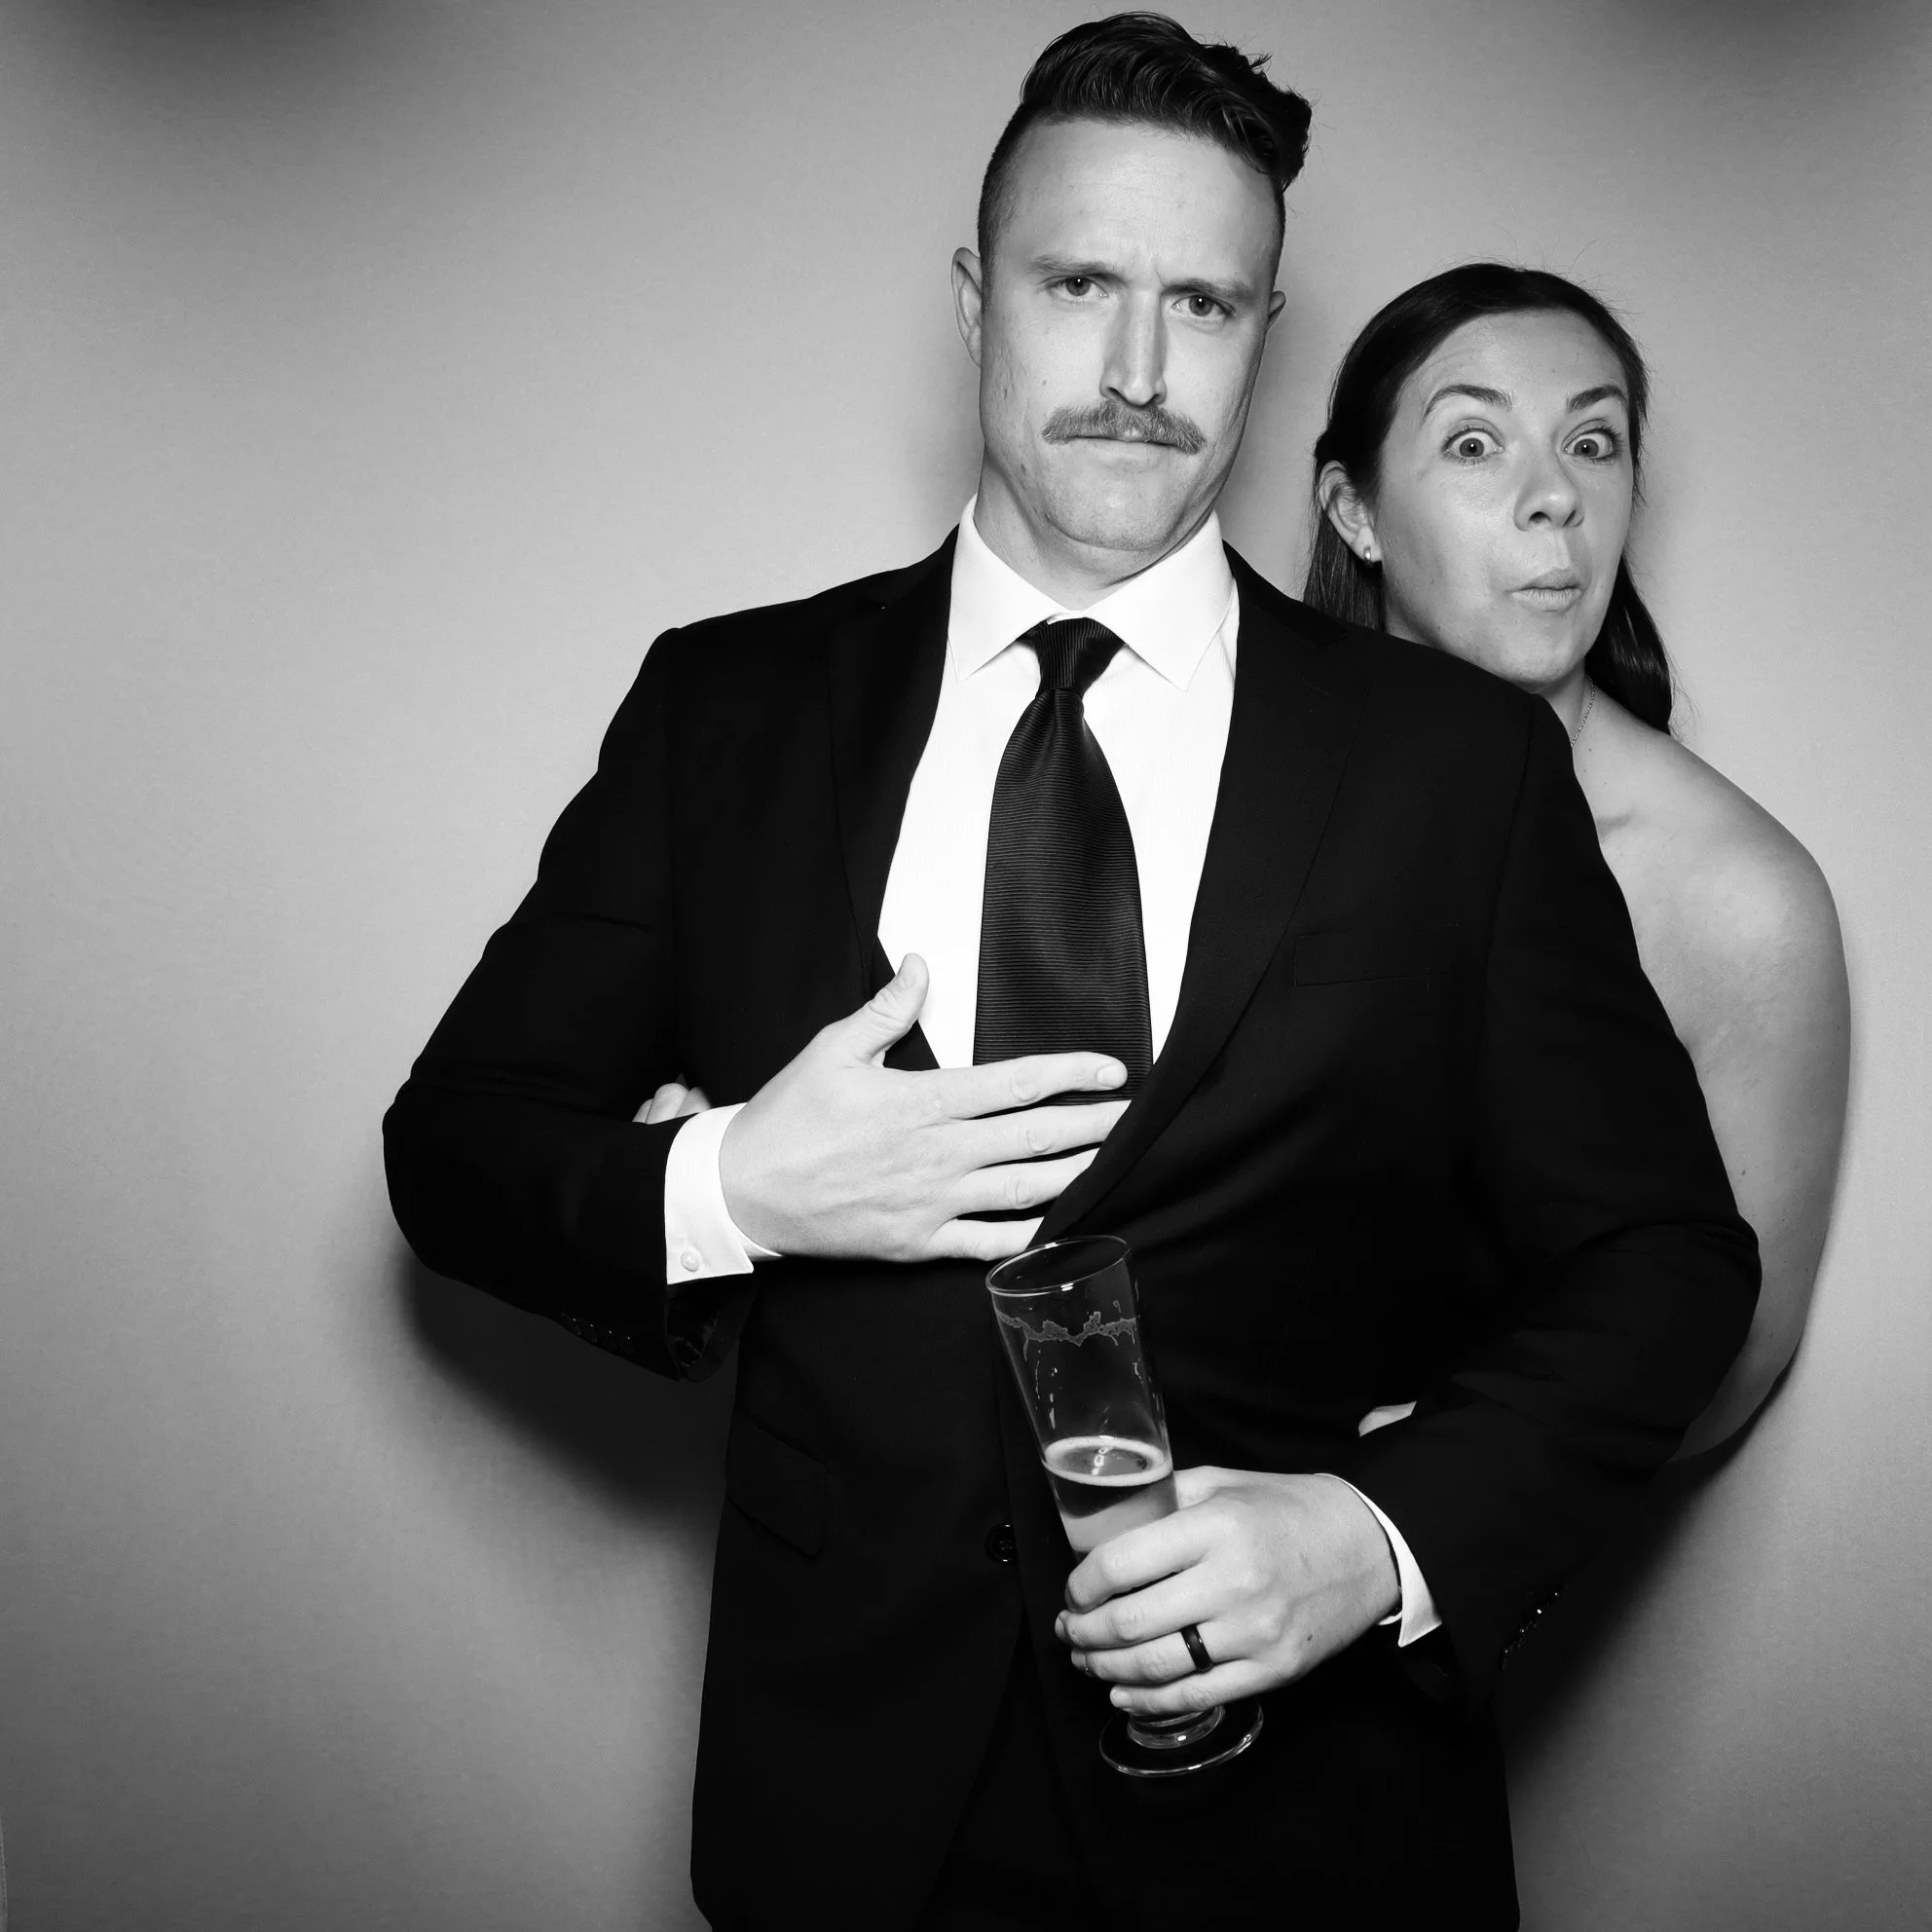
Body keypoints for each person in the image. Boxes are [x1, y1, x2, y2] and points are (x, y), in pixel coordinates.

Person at [384, 18, 1758, 1929]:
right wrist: (736, 1187)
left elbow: (1666, 1263)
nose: (1133, 370)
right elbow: (449, 1149)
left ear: (1264, 330)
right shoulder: (731, 708)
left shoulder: (1451, 766)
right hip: (853, 1818)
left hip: (1316, 1826)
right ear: (974, 302)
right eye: (1076, 284)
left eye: (1199, 302)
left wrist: (1372, 1539)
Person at [1306, 264, 1847, 1460]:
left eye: (1592, 442)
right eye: (1475, 444)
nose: (1552, 496)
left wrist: (1415, 1506)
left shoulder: (1739, 899)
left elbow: (1726, 1348)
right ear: (1352, 511)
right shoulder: (1251, 800)